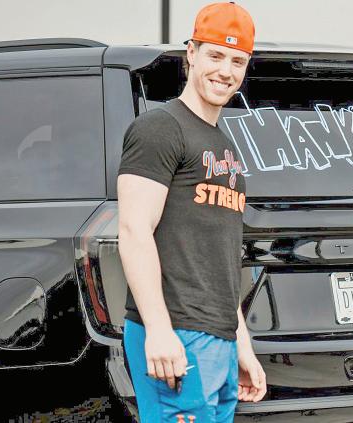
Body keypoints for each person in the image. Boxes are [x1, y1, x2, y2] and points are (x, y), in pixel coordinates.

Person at [117, 2, 265, 421]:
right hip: (176, 334)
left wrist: (241, 345)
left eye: (237, 61)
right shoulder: (159, 129)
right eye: (215, 55)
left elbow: (219, 258)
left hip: (218, 339)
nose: (225, 71)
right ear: (191, 54)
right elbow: (134, 230)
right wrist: (158, 330)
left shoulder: (224, 146)